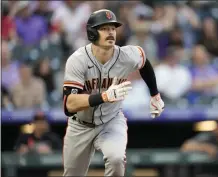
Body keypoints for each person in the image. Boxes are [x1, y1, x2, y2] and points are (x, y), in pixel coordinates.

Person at [62, 9, 164, 176]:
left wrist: (155, 95)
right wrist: (104, 96)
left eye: (113, 28)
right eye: (104, 28)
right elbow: (69, 105)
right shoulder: (78, 60)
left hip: (111, 121)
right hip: (80, 125)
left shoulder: (126, 55)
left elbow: (144, 62)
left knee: (116, 159)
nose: (110, 33)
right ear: (92, 32)